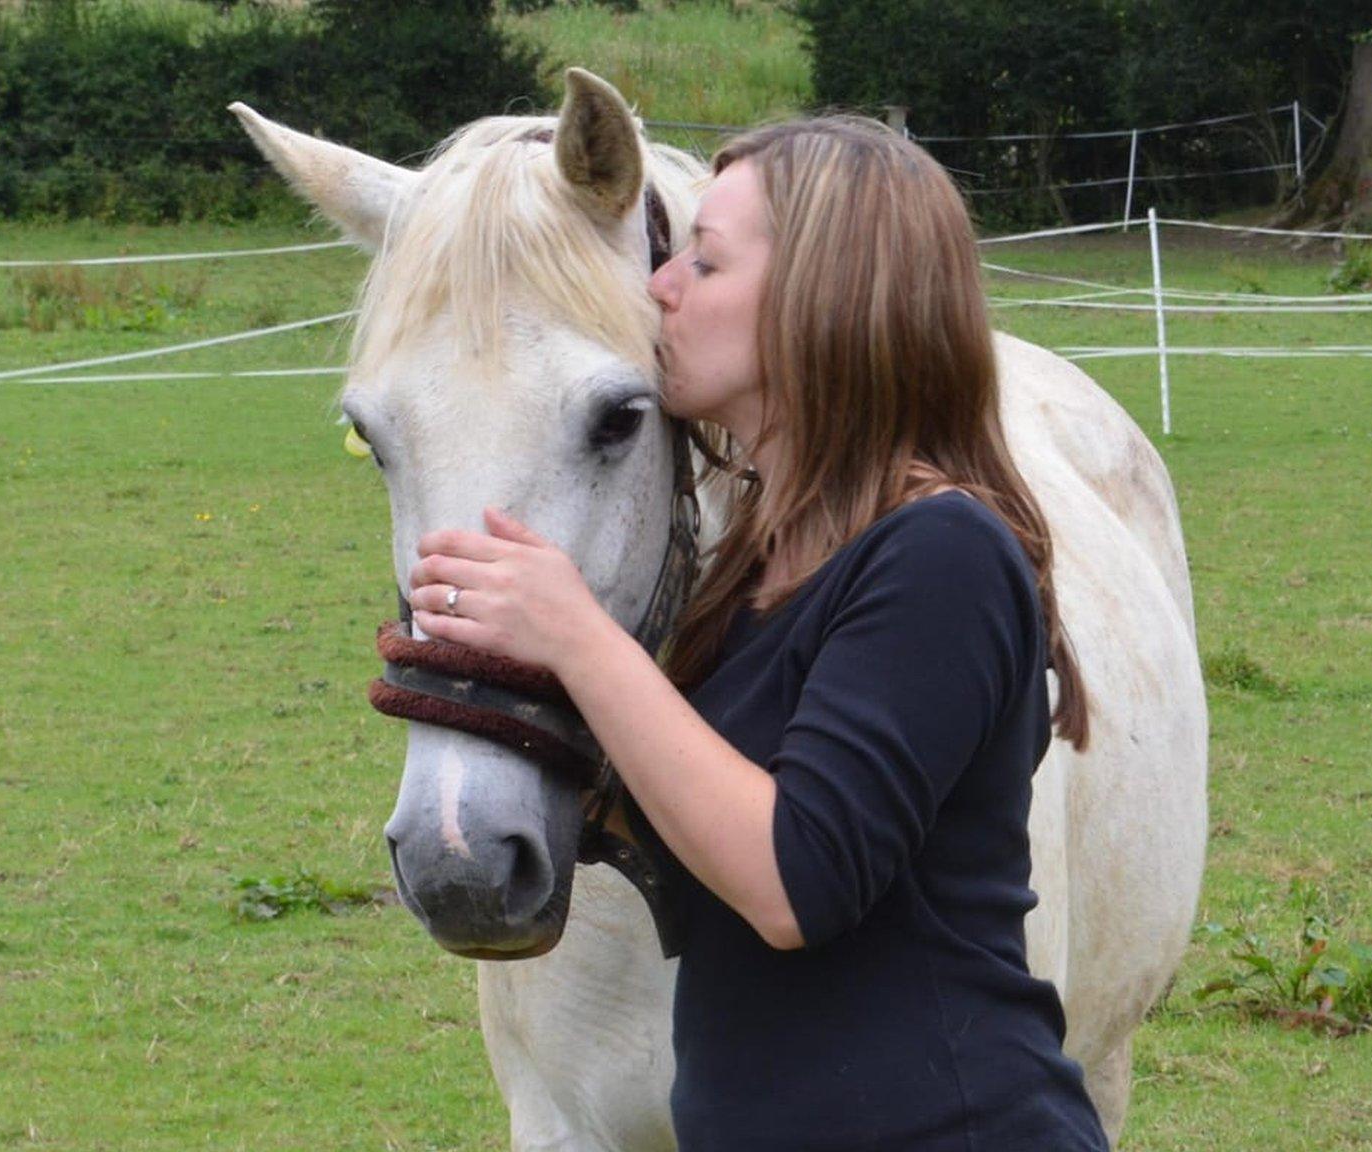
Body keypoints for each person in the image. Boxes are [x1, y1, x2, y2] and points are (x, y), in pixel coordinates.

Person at [402, 117, 1111, 1152]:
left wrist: (577, 635)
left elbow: (792, 882)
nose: (658, 286)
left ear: (826, 295)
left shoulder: (940, 554)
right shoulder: (757, 571)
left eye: (705, 257)